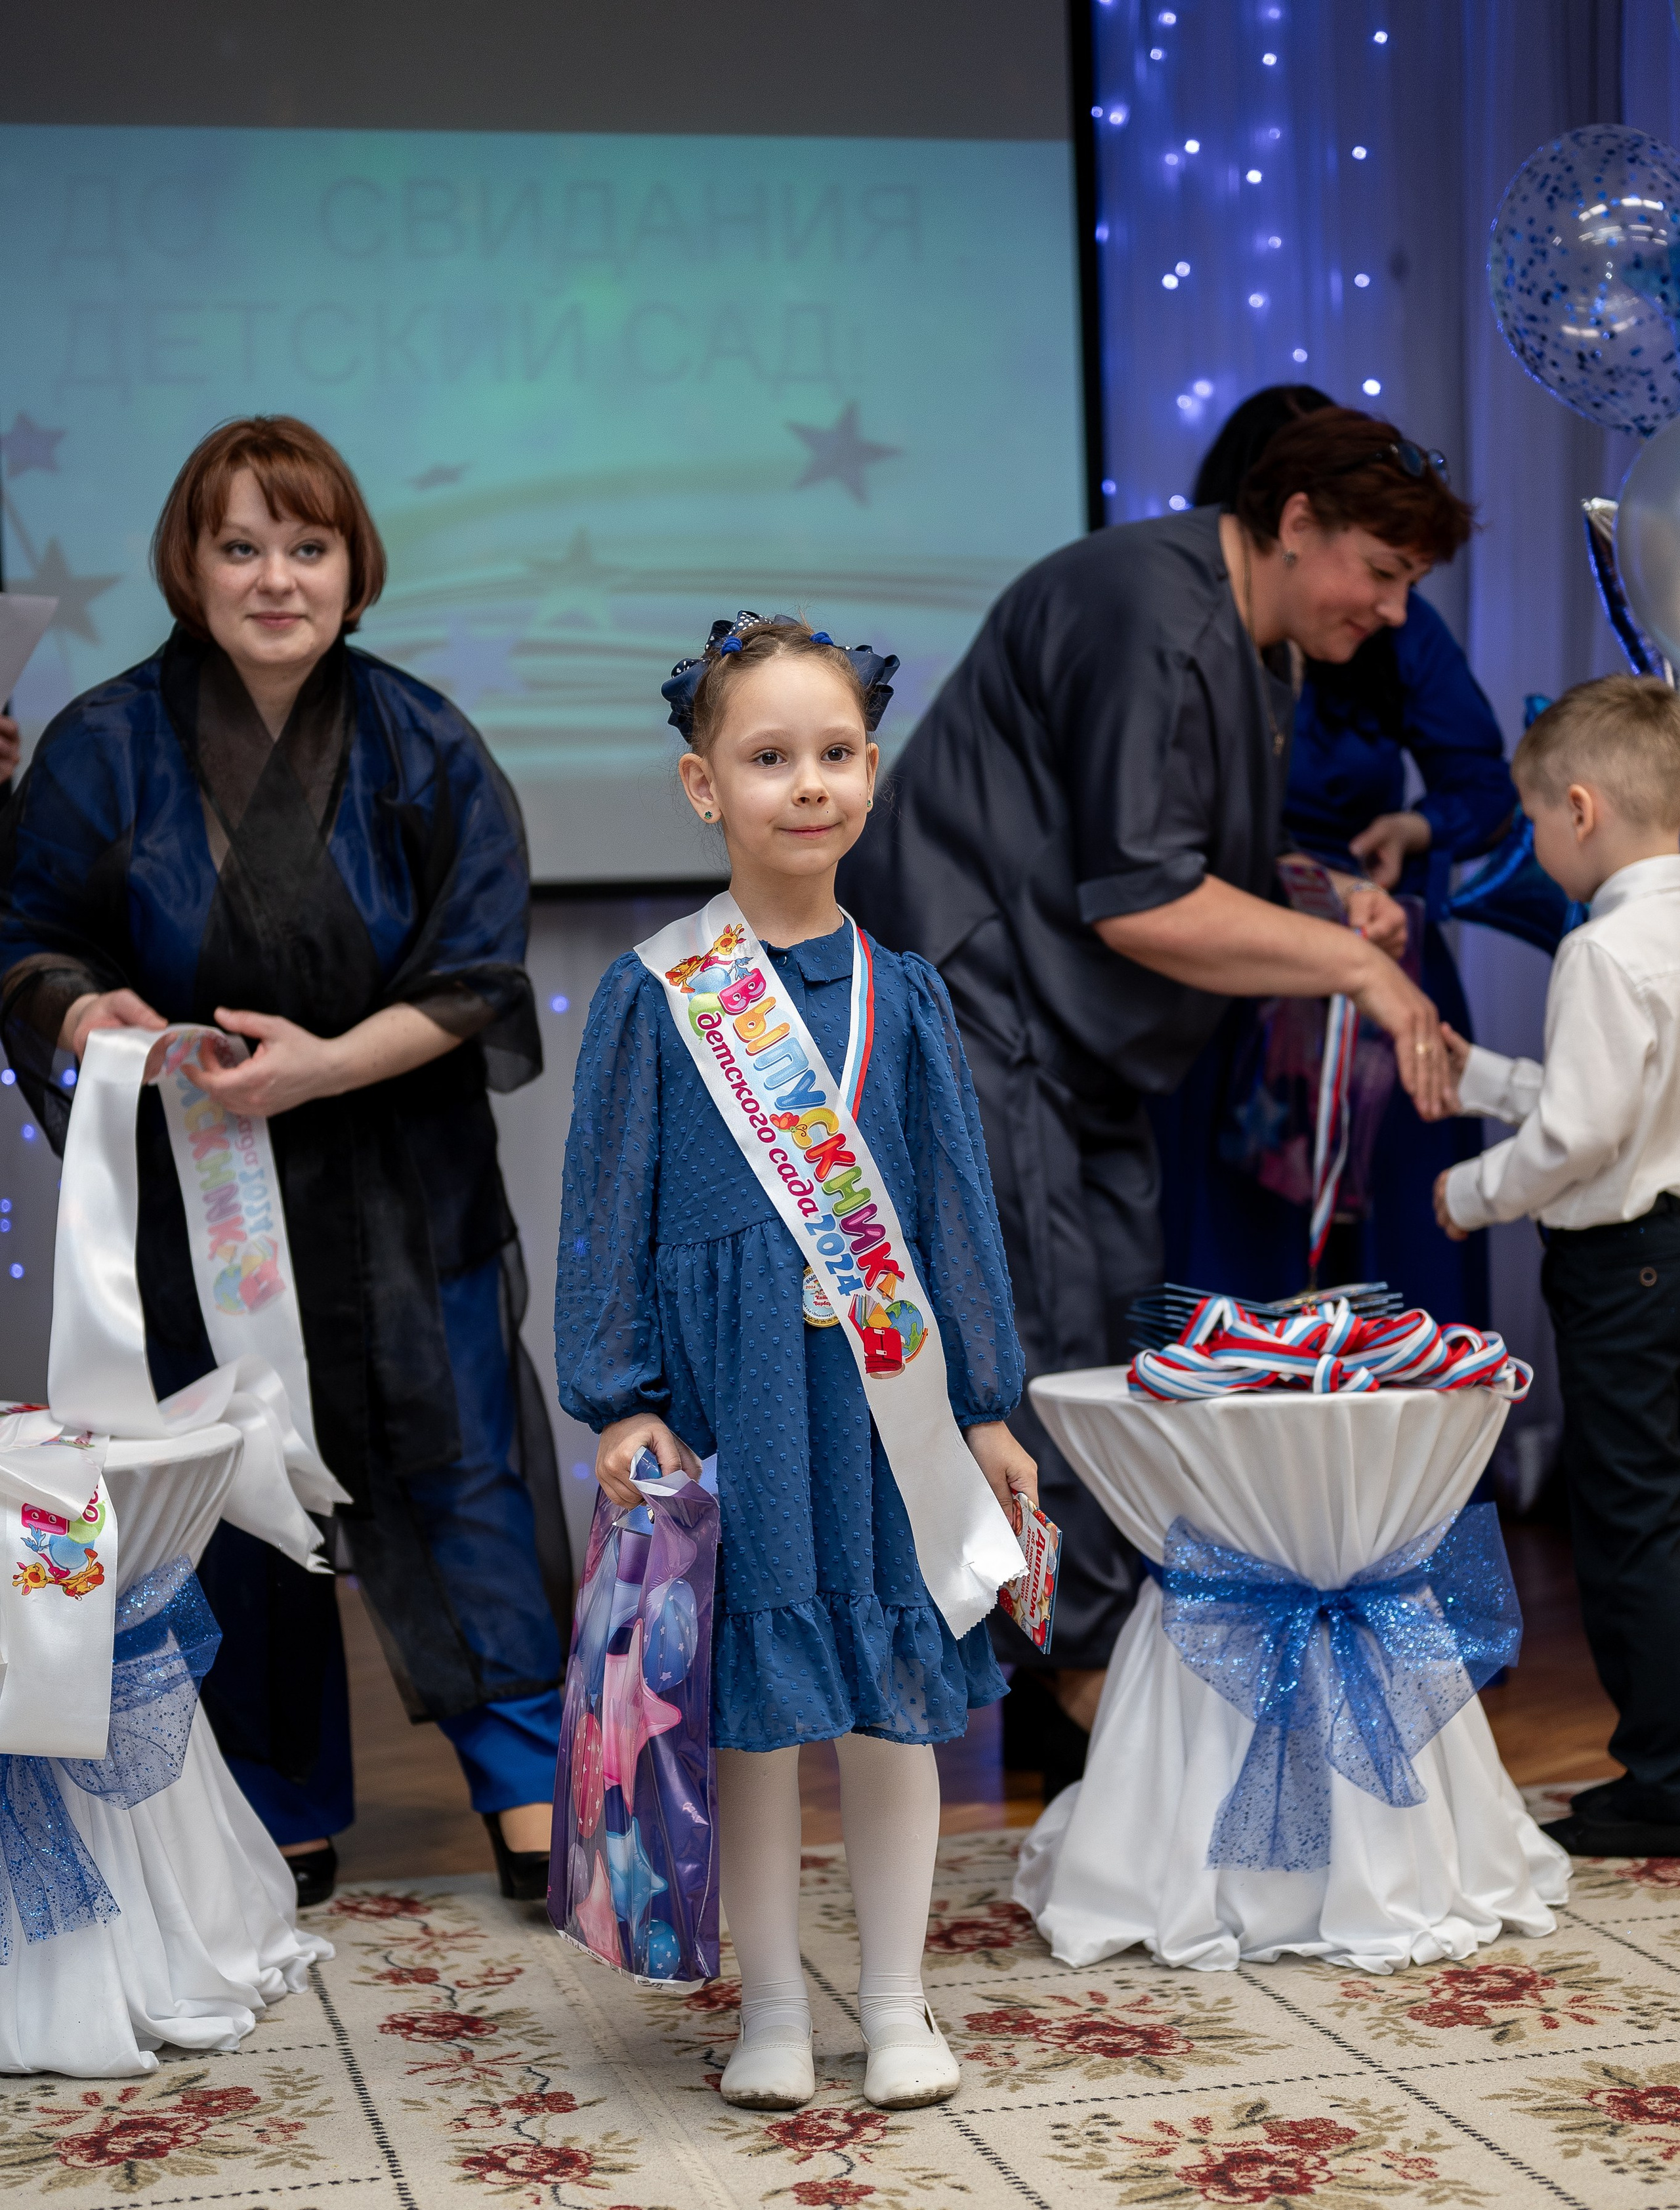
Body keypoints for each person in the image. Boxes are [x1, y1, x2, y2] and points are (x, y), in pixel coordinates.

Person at [838, 404, 1468, 1776]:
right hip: (990, 1017)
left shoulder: (1247, 635)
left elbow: (1176, 857)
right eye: (1379, 568)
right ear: (1294, 521)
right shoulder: (1154, 609)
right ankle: (1085, 1704)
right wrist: (1353, 973)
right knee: (1050, 1358)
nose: (1390, 606)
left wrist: (1317, 899)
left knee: (1109, 1358)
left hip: (1077, 1044)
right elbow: (1138, 899)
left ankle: (1084, 1708)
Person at [0, 415, 569, 1908]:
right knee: (232, 1489)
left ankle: (522, 1771)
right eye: (239, 545)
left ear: (351, 563)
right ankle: (277, 1795)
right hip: (206, 1200)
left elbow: (478, 976)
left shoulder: (420, 738)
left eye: (305, 546)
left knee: (460, 1476)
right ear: (188, 565)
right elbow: (28, 941)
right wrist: (85, 1009)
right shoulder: (101, 746)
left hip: (398, 1182)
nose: (274, 578)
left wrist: (322, 1065)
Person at [555, 612, 1034, 2112]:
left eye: (832, 754)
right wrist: (621, 1395)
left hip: (883, 1419)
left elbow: (951, 1207)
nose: (805, 784)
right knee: (749, 1719)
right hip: (734, 1412)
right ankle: (770, 2006)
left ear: (872, 771)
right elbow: (604, 1209)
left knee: (898, 1703)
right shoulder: (655, 995)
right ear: (705, 787)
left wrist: (987, 1408)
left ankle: (893, 2001)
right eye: (768, 758)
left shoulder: (911, 992)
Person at [1153, 385, 1516, 1324]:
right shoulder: (1182, 629)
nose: (1386, 604)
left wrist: (1417, 829)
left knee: (1403, 1253)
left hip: (1380, 968)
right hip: (1227, 973)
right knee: (1231, 1264)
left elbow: (1485, 788)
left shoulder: (1396, 622)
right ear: (1277, 523)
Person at [1435, 676, 1680, 1862]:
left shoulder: (1602, 947)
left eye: (1533, 823)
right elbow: (1623, 1105)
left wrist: (1468, 1192)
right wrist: (1482, 1077)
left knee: (1633, 1518)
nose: (1534, 847)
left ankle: (1665, 1779)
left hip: (1628, 1270)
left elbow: (1583, 1138)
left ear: (1581, 810)